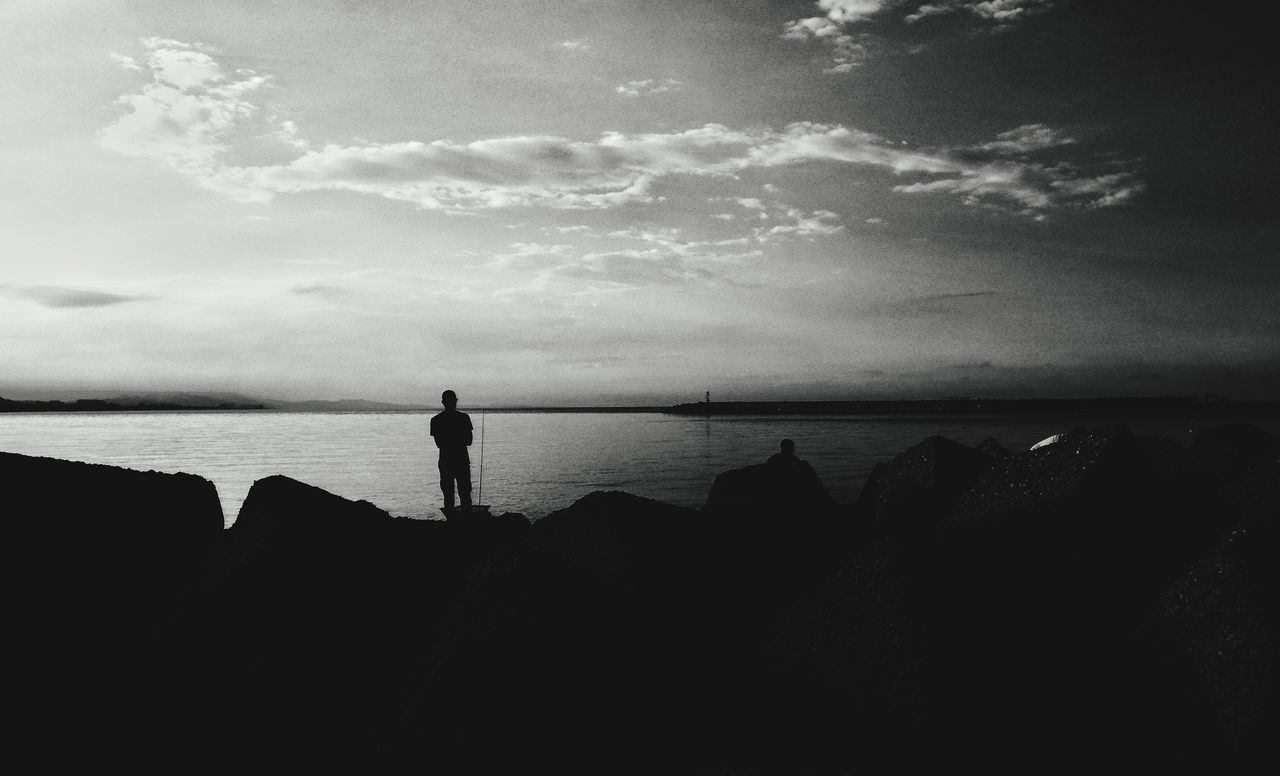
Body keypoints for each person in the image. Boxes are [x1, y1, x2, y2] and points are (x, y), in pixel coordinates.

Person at [430, 389, 473, 512]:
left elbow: (439, 444)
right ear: (456, 401)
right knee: (465, 494)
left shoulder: (435, 420)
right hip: (461, 461)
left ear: (443, 402)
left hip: (445, 462)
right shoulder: (464, 418)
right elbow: (469, 441)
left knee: (448, 496)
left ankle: (451, 523)